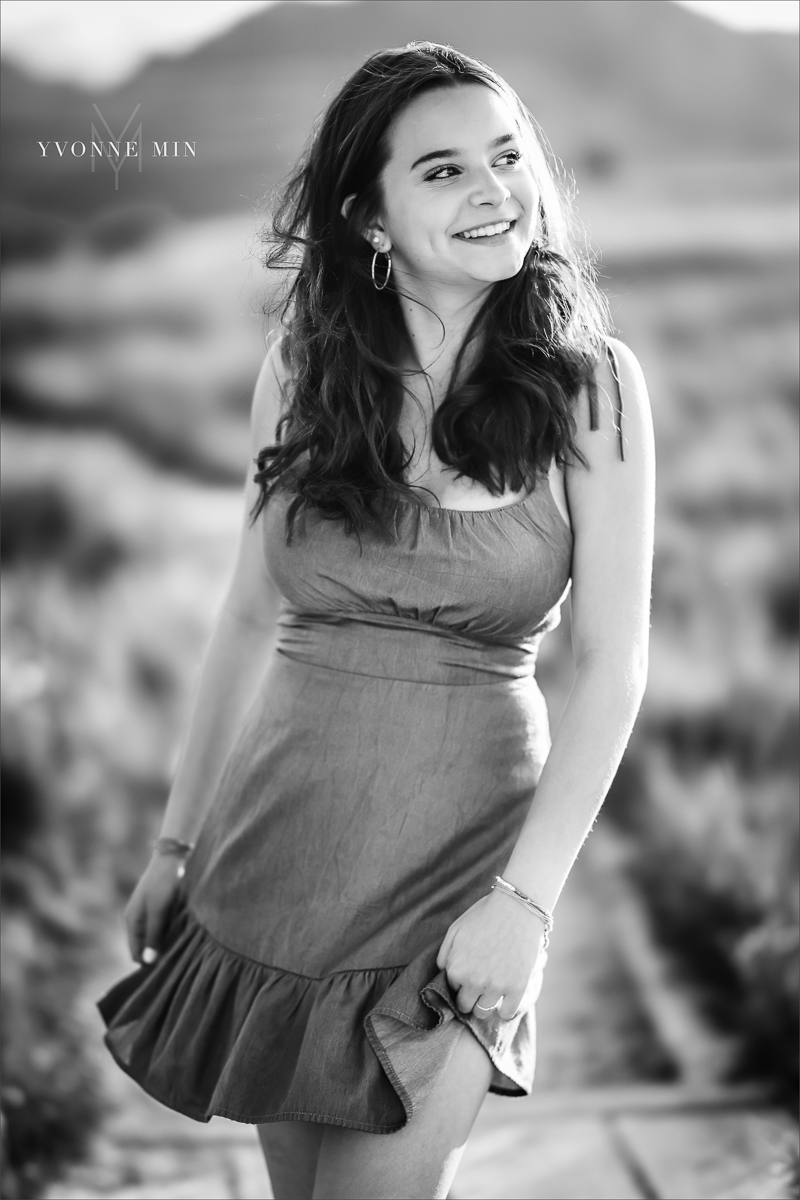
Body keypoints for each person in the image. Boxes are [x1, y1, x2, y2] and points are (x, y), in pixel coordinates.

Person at [99, 41, 655, 1200]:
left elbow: (608, 667)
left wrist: (523, 907)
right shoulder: (304, 368)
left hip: (462, 876)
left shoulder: (591, 385)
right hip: (277, 857)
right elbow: (247, 615)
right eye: (443, 171)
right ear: (368, 218)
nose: (495, 191)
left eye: (507, 158)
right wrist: (174, 839)